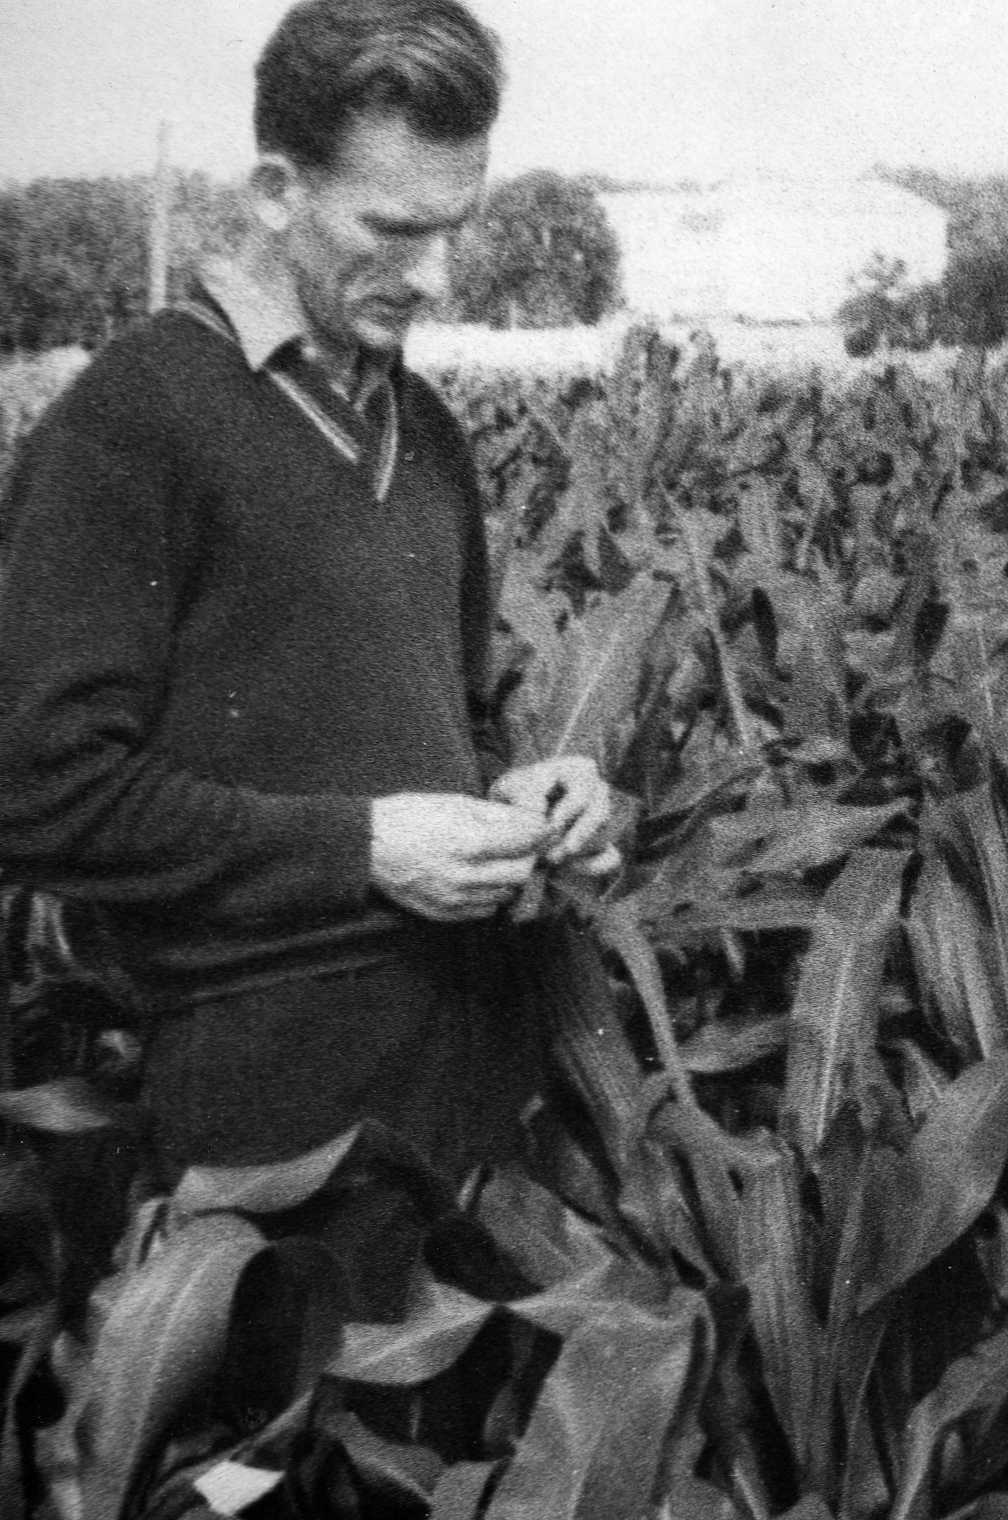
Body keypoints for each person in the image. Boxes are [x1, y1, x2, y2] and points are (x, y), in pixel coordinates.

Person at [0, 0, 615, 1306]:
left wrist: (527, 801)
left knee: (442, 1473)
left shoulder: (431, 435)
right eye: (394, 231)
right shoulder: (140, 415)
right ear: (277, 191)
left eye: (458, 227)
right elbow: (37, 788)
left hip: (467, 1085)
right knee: (256, 1487)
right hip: (266, 1127)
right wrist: (370, 849)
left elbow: (450, 723)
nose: (439, 278)